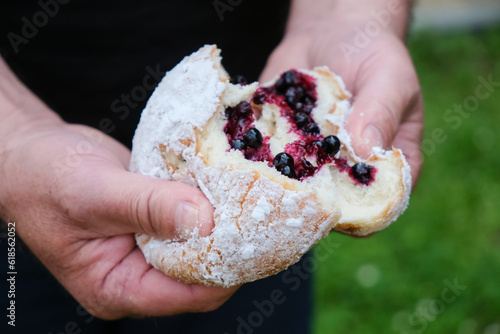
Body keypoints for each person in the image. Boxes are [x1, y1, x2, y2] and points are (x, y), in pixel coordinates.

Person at [0, 0, 423, 332]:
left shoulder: (283, 209)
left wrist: (350, 16)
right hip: (19, 192)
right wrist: (14, 137)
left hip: (255, 229)